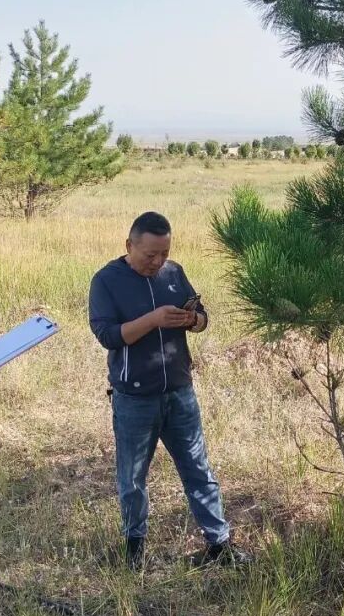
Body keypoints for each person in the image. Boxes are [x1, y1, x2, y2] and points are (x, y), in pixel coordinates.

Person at [88, 211, 252, 570]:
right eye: (150, 255)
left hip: (180, 392)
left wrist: (193, 320)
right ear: (129, 245)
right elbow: (108, 336)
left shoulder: (174, 273)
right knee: (133, 478)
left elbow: (203, 318)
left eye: (164, 253)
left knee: (199, 470)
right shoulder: (106, 280)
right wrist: (153, 320)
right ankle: (134, 552)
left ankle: (219, 545)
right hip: (134, 398)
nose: (158, 262)